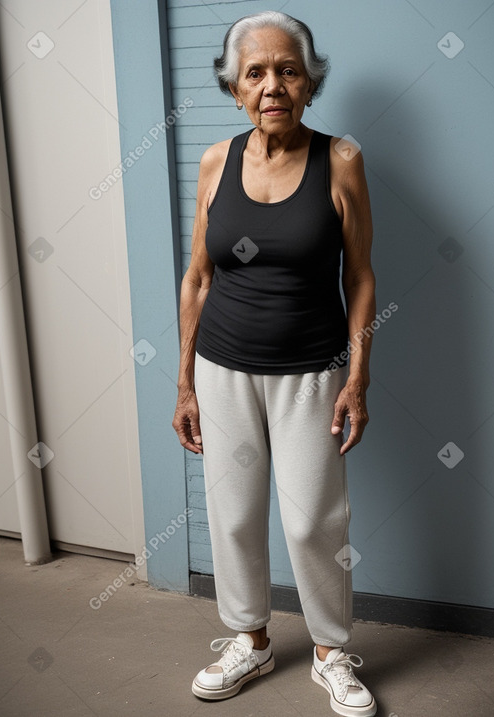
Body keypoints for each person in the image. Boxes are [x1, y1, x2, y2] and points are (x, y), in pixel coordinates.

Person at [172, 10, 377, 717]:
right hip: (222, 368)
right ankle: (250, 637)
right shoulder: (215, 162)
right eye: (255, 72)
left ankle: (330, 651)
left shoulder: (340, 159)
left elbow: (361, 278)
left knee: (312, 519)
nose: (272, 85)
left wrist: (357, 373)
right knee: (233, 515)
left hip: (310, 371)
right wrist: (184, 382)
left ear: (309, 83)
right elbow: (197, 278)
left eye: (288, 70)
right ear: (234, 88)